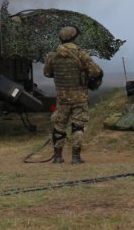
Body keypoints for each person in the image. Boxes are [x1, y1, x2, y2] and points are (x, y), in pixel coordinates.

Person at [43, 25, 103, 164]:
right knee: (78, 126)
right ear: (74, 37)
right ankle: (76, 157)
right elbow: (96, 72)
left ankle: (58, 157)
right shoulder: (81, 54)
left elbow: (47, 73)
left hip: (62, 97)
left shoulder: (53, 55)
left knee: (59, 126)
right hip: (79, 97)